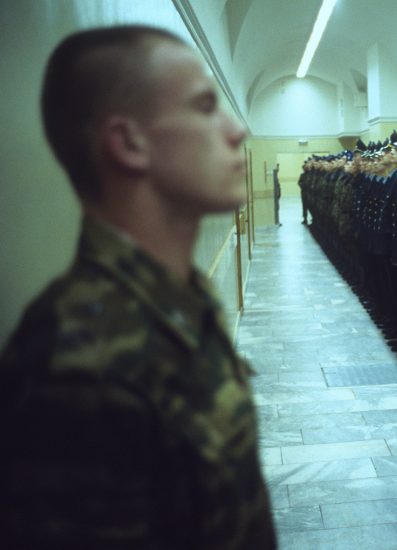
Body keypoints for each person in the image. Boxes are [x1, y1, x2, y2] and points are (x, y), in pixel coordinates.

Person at [0, 26, 276, 549]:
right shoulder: (76, 365)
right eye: (203, 107)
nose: (237, 130)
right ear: (128, 142)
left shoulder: (176, 300)